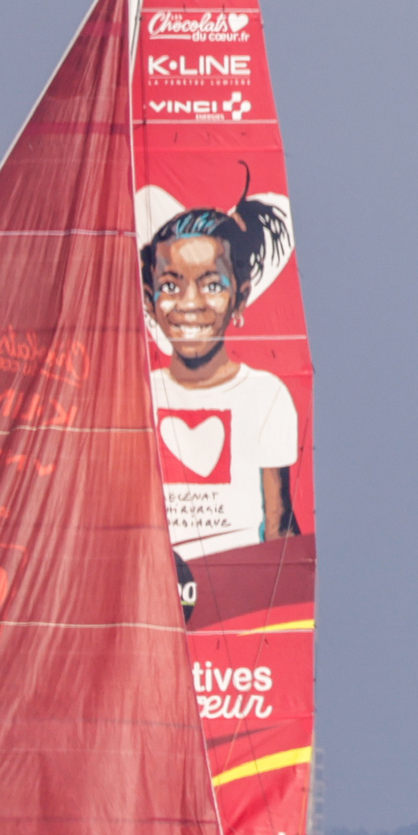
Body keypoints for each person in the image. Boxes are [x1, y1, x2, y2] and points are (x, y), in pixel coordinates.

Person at [139, 195, 300, 605]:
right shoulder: (132, 391)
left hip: (235, 618)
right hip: (143, 609)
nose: (190, 304)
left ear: (241, 297)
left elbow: (279, 528)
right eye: (170, 286)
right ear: (148, 298)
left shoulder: (267, 396)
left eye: (212, 284)